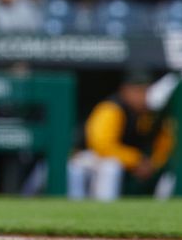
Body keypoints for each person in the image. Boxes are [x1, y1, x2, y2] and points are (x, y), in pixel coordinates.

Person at [68, 72, 173, 200]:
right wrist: (136, 160)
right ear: (125, 90)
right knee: (109, 166)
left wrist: (152, 164)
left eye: (145, 91)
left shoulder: (151, 113)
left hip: (124, 159)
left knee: (112, 165)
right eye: (137, 91)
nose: (141, 96)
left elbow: (165, 145)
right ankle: (98, 206)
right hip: (88, 156)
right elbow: (102, 146)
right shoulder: (112, 108)